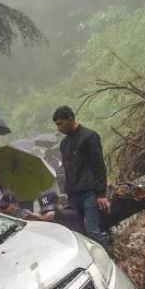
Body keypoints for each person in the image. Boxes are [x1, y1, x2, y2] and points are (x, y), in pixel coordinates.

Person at [53, 105, 109, 247]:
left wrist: (101, 193)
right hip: (73, 195)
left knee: (92, 231)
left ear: (71, 119)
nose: (58, 128)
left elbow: (99, 165)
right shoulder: (64, 143)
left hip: (89, 192)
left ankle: (110, 259)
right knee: (77, 232)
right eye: (56, 124)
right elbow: (67, 170)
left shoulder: (89, 137)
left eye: (60, 123)